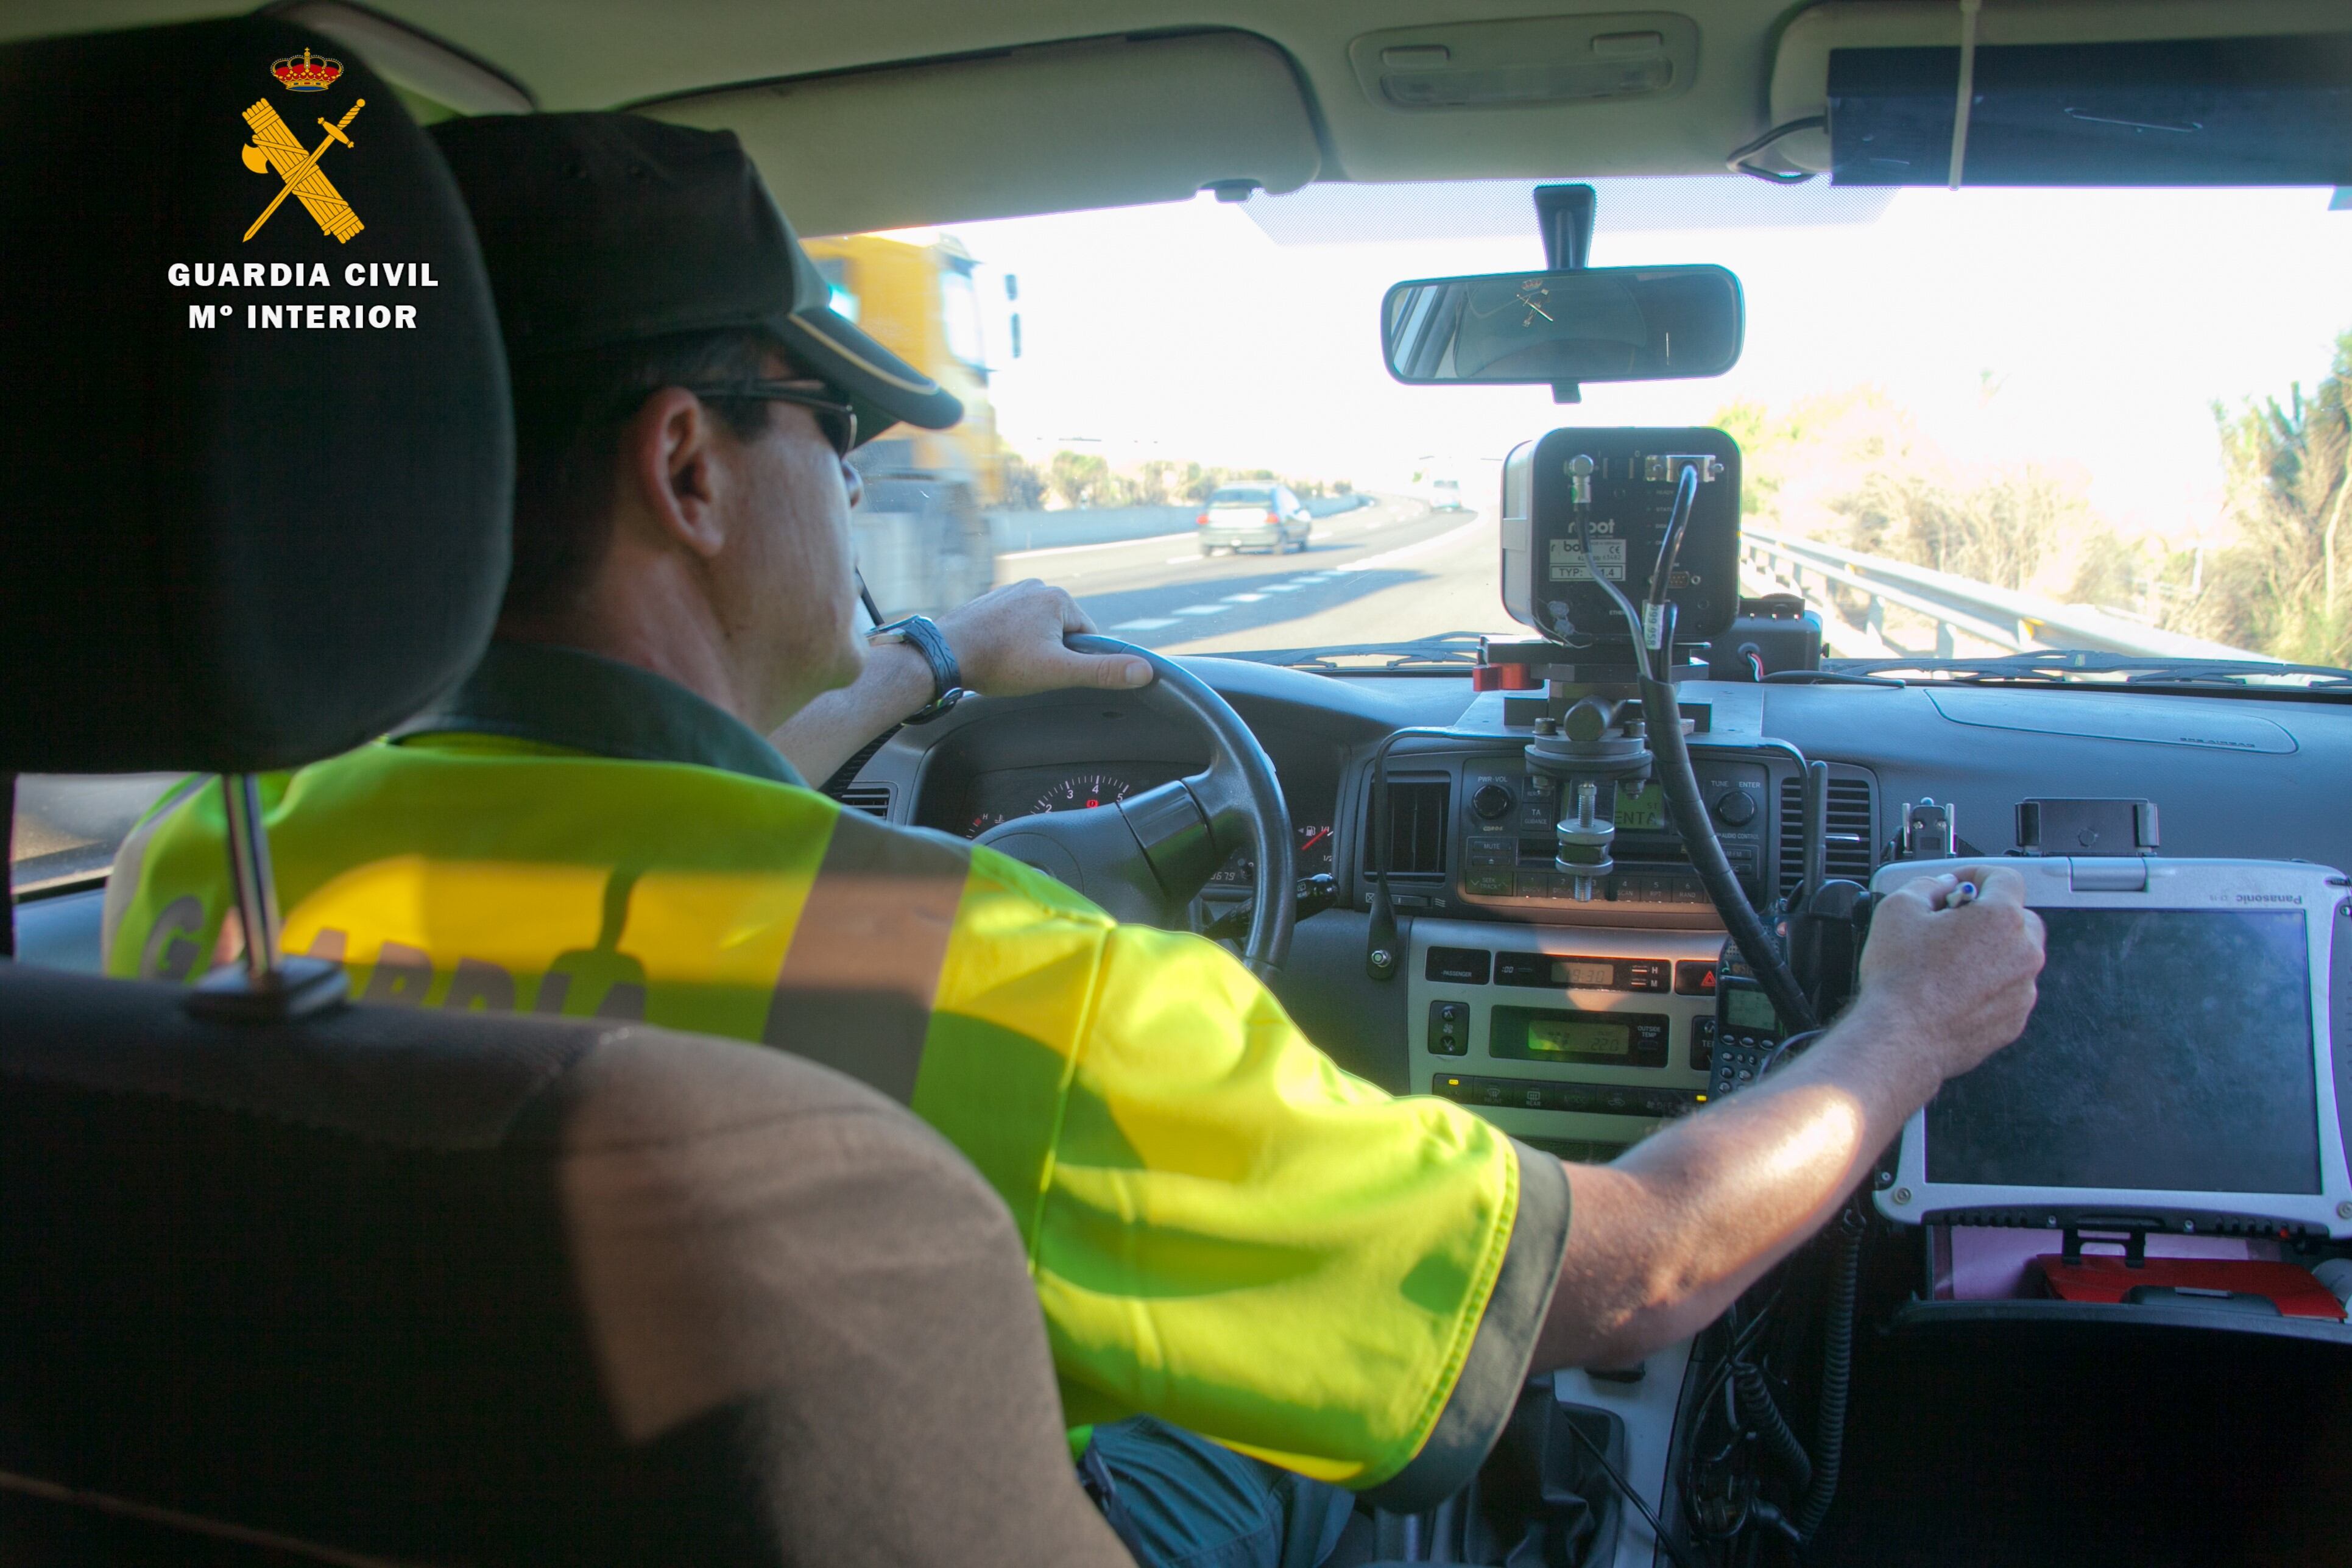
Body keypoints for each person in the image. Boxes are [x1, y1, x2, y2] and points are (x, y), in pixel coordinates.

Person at [106, 113, 2047, 1567]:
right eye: (826, 435)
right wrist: (1899, 1029)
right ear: (687, 468)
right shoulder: (1007, 975)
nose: (851, 485)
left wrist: (932, 663)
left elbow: (644, 824)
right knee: (1356, 1415)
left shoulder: (208, 876)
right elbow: (1627, 1279)